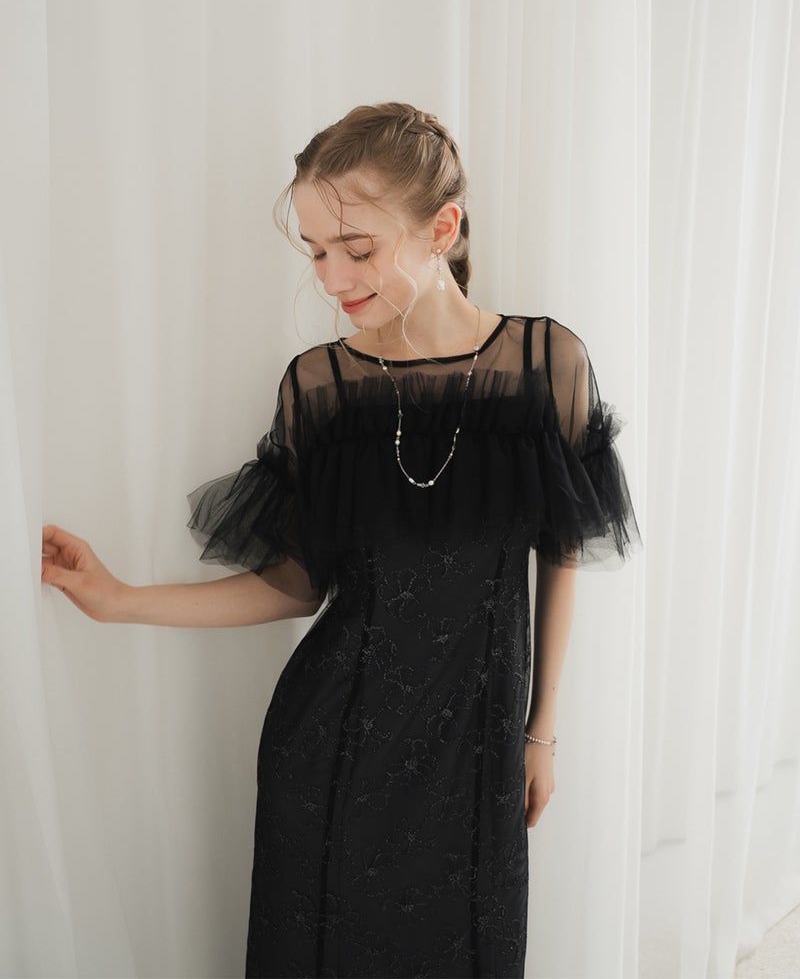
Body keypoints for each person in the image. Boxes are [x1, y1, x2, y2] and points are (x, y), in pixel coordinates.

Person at [41, 102, 642, 978]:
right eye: (316, 251)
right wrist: (119, 599)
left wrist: (540, 731)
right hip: (330, 753)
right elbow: (296, 584)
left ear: (442, 229)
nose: (331, 278)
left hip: (477, 756)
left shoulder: (546, 366)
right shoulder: (320, 389)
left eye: (356, 249)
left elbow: (563, 550)